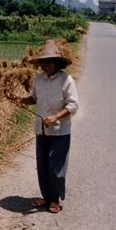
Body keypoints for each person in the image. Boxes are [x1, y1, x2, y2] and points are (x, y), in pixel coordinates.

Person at [9, 39, 79, 213]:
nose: (45, 65)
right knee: (42, 165)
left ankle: (55, 199)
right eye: (43, 62)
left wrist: (56, 117)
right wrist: (19, 100)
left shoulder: (66, 80)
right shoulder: (39, 79)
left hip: (59, 131)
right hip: (41, 129)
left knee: (56, 166)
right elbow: (34, 98)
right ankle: (46, 196)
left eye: (49, 62)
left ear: (57, 63)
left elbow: (73, 105)